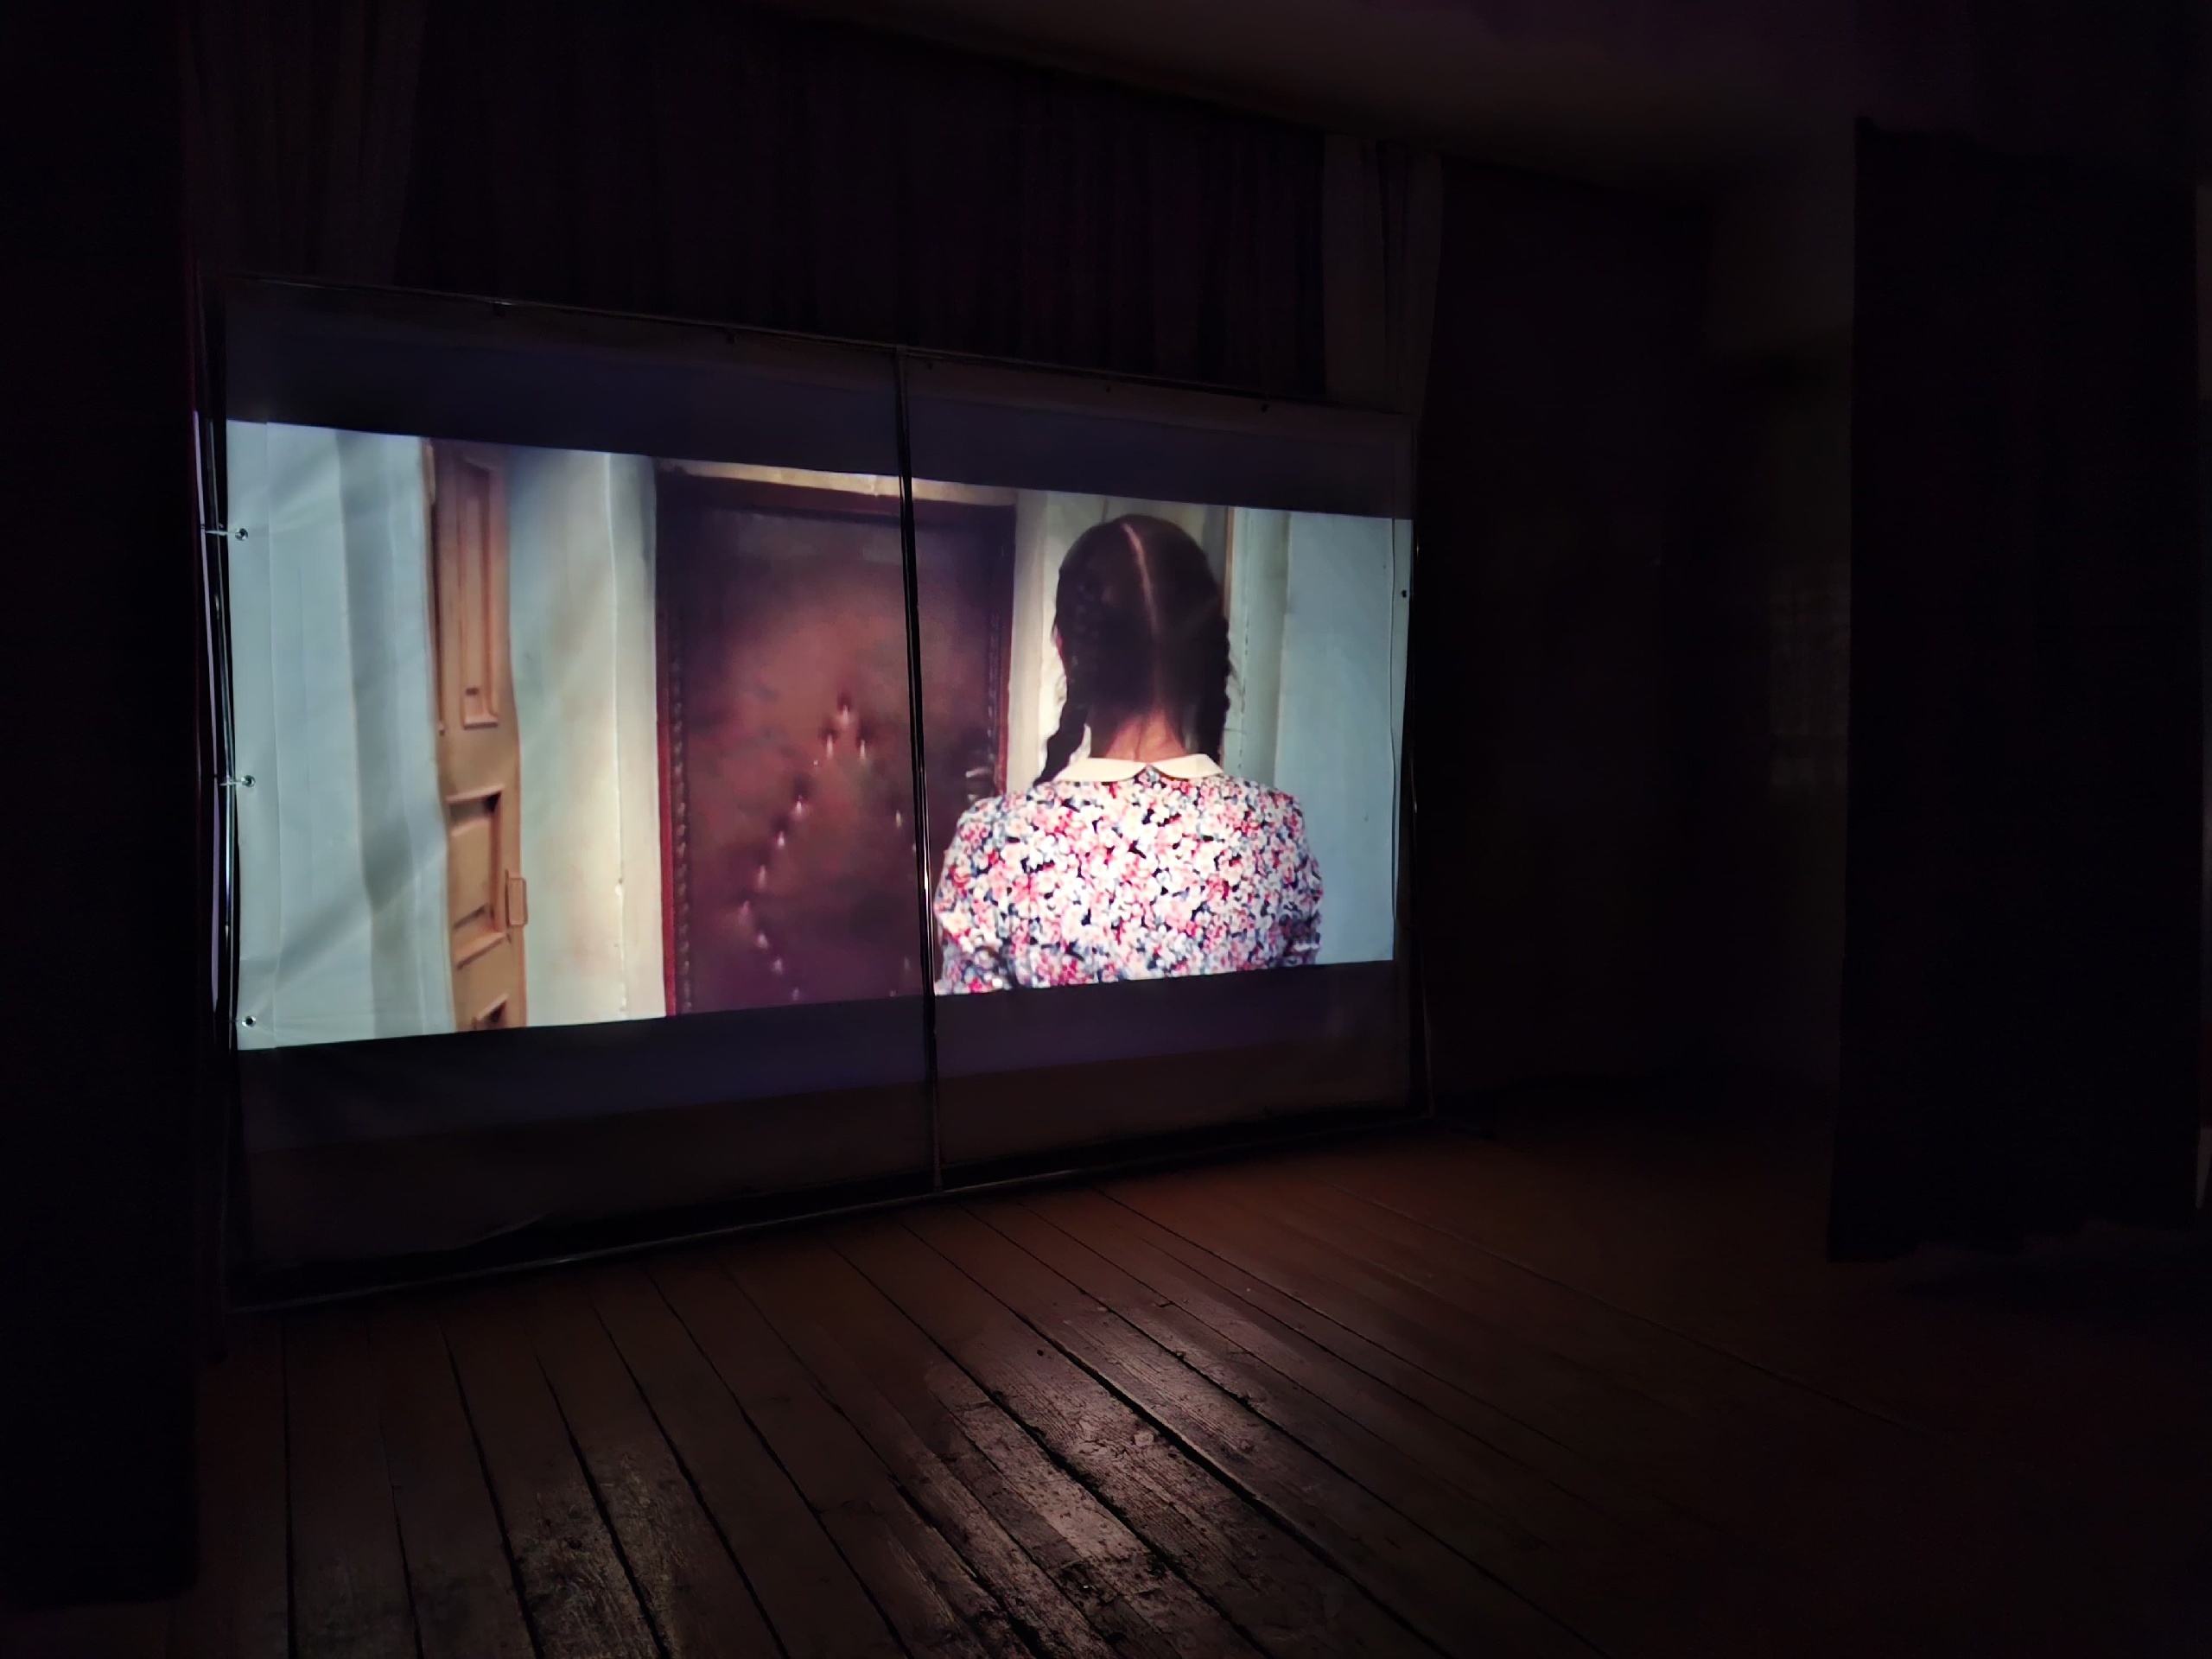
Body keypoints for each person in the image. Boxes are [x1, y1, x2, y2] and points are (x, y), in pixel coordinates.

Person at [933, 513, 1321, 993]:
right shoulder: (1276, 833)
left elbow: (975, 1037)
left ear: (1066, 651)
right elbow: (1287, 1027)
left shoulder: (992, 844)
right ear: (1204, 654)